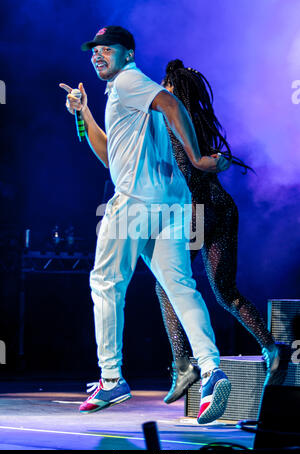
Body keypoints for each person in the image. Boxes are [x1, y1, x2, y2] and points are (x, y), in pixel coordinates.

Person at [59, 26, 231, 423]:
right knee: (180, 286)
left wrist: (200, 157)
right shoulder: (125, 90)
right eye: (94, 51)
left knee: (105, 282)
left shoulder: (129, 81)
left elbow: (172, 104)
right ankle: (211, 370)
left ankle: (111, 377)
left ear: (128, 54)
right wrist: (83, 112)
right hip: (171, 203)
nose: (97, 56)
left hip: (135, 203)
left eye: (107, 49)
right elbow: (108, 157)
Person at [155, 59, 291, 406]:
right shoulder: (195, 121)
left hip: (199, 209)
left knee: (166, 283)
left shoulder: (169, 120)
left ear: (172, 87)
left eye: (164, 85)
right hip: (223, 208)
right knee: (226, 292)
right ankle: (271, 348)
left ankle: (183, 363)